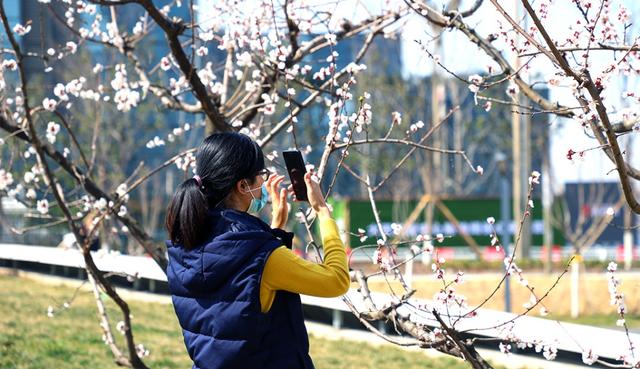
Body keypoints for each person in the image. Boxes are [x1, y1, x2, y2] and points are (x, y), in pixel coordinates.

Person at [165, 132, 349, 369]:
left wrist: (275, 229)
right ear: (243, 185)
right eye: (260, 176)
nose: (264, 182)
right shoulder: (263, 257)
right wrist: (323, 211)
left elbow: (238, 300)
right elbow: (336, 280)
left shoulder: (184, 242)